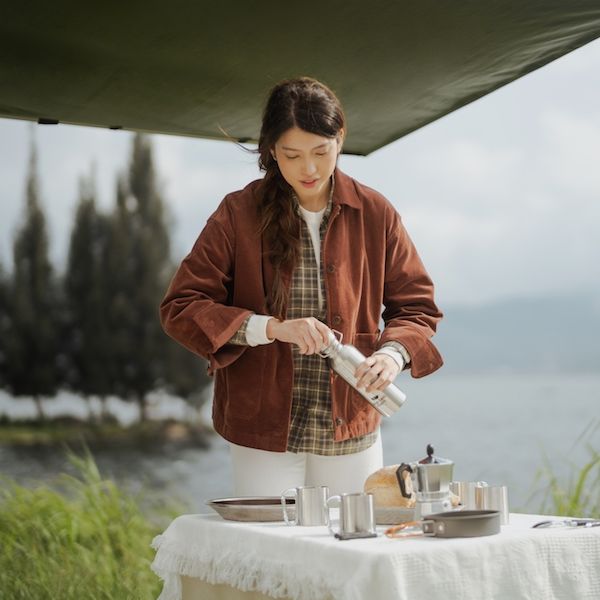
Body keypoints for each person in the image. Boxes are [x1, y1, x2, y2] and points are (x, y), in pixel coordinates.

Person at [160, 76, 443, 497]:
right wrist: (270, 328)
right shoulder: (238, 213)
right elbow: (181, 306)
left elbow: (417, 307)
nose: (308, 169)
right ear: (272, 151)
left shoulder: (375, 213)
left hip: (351, 421)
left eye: (320, 152)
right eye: (291, 155)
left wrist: (392, 354)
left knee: (350, 546)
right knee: (272, 554)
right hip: (262, 425)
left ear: (340, 139)